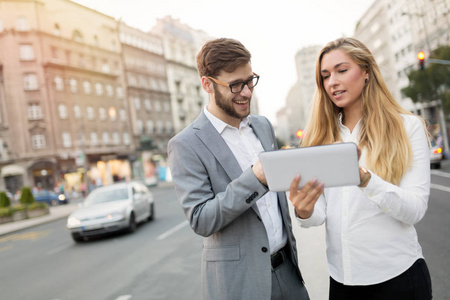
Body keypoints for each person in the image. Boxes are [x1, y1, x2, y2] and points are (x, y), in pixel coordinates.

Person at [288, 37, 432, 300]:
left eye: (342, 70)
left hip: (399, 279)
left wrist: (365, 180)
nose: (332, 81)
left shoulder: (407, 127)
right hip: (342, 283)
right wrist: (304, 210)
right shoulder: (319, 137)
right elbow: (320, 213)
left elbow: (415, 210)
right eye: (325, 75)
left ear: (366, 72)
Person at [168, 38, 309, 300]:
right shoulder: (185, 145)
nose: (246, 92)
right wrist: (255, 178)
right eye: (235, 85)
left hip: (289, 274)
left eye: (250, 81)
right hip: (240, 285)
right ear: (207, 84)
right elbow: (201, 218)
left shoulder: (263, 125)